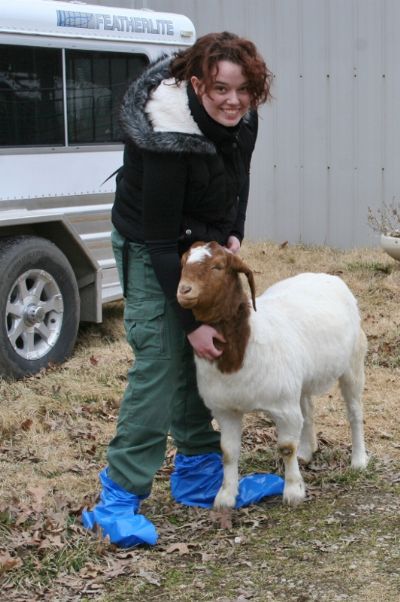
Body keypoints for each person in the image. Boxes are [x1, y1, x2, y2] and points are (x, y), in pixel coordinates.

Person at [82, 31, 283, 547]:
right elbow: (158, 238)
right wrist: (192, 321)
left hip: (200, 241)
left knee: (206, 357)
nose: (234, 100)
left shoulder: (243, 117)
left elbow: (239, 177)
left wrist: (231, 230)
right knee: (163, 360)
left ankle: (197, 475)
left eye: (244, 90)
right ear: (196, 84)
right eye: (220, 89)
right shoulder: (164, 136)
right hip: (154, 246)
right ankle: (117, 499)